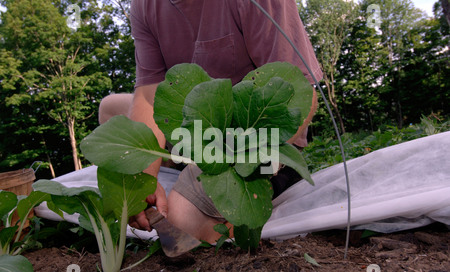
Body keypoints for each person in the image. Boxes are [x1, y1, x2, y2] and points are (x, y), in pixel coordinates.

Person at [99, 0, 323, 244]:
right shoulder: (144, 5)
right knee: (110, 110)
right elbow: (148, 96)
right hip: (196, 131)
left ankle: (236, 195)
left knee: (181, 218)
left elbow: (299, 93)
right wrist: (142, 179)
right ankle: (186, 167)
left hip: (251, 140)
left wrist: (243, 164)